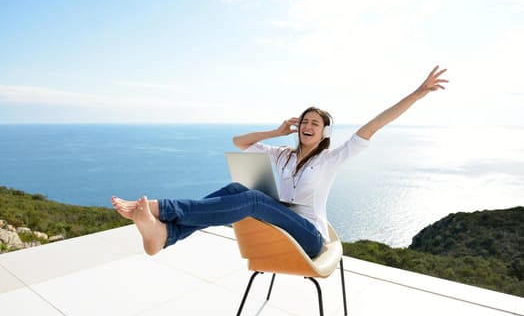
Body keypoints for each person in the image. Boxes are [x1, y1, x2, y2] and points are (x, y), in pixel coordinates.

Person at [112, 65, 448, 257]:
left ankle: (161, 209)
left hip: (310, 238)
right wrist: (275, 131)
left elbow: (375, 124)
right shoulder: (283, 155)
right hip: (283, 226)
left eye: (315, 123)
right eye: (304, 121)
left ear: (324, 133)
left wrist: (418, 93)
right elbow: (238, 142)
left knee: (255, 199)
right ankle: (166, 236)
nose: (307, 125)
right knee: (235, 187)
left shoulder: (331, 158)